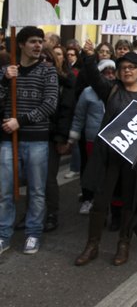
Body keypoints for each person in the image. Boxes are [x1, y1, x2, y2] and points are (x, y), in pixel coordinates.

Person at [74, 52, 137, 267]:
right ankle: (91, 245)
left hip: (134, 160)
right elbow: (93, 76)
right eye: (123, 67)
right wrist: (88, 55)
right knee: (101, 201)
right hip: (110, 157)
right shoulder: (111, 90)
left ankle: (123, 244)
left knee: (130, 202)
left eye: (131, 67)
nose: (127, 71)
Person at [0, 26, 58, 256]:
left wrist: (20, 121)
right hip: (7, 140)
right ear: (21, 44)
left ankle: (33, 232)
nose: (38, 46)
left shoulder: (48, 71)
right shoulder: (6, 71)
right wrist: (5, 81)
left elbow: (49, 104)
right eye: (33, 41)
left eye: (40, 41)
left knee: (36, 189)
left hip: (36, 140)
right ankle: (3, 234)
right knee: (4, 190)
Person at [68, 59, 115, 216]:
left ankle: (106, 202)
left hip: (111, 140)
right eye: (105, 73)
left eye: (112, 73)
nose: (109, 76)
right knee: (90, 170)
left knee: (108, 172)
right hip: (91, 139)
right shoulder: (87, 92)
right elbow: (79, 116)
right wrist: (73, 135)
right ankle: (88, 199)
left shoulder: (117, 90)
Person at [42, 45, 77, 233]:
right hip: (34, 135)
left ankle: (51, 214)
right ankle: (33, 212)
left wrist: (62, 138)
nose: (45, 63)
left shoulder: (66, 80)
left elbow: (66, 110)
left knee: (48, 178)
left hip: (52, 135)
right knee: (33, 179)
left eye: (52, 58)